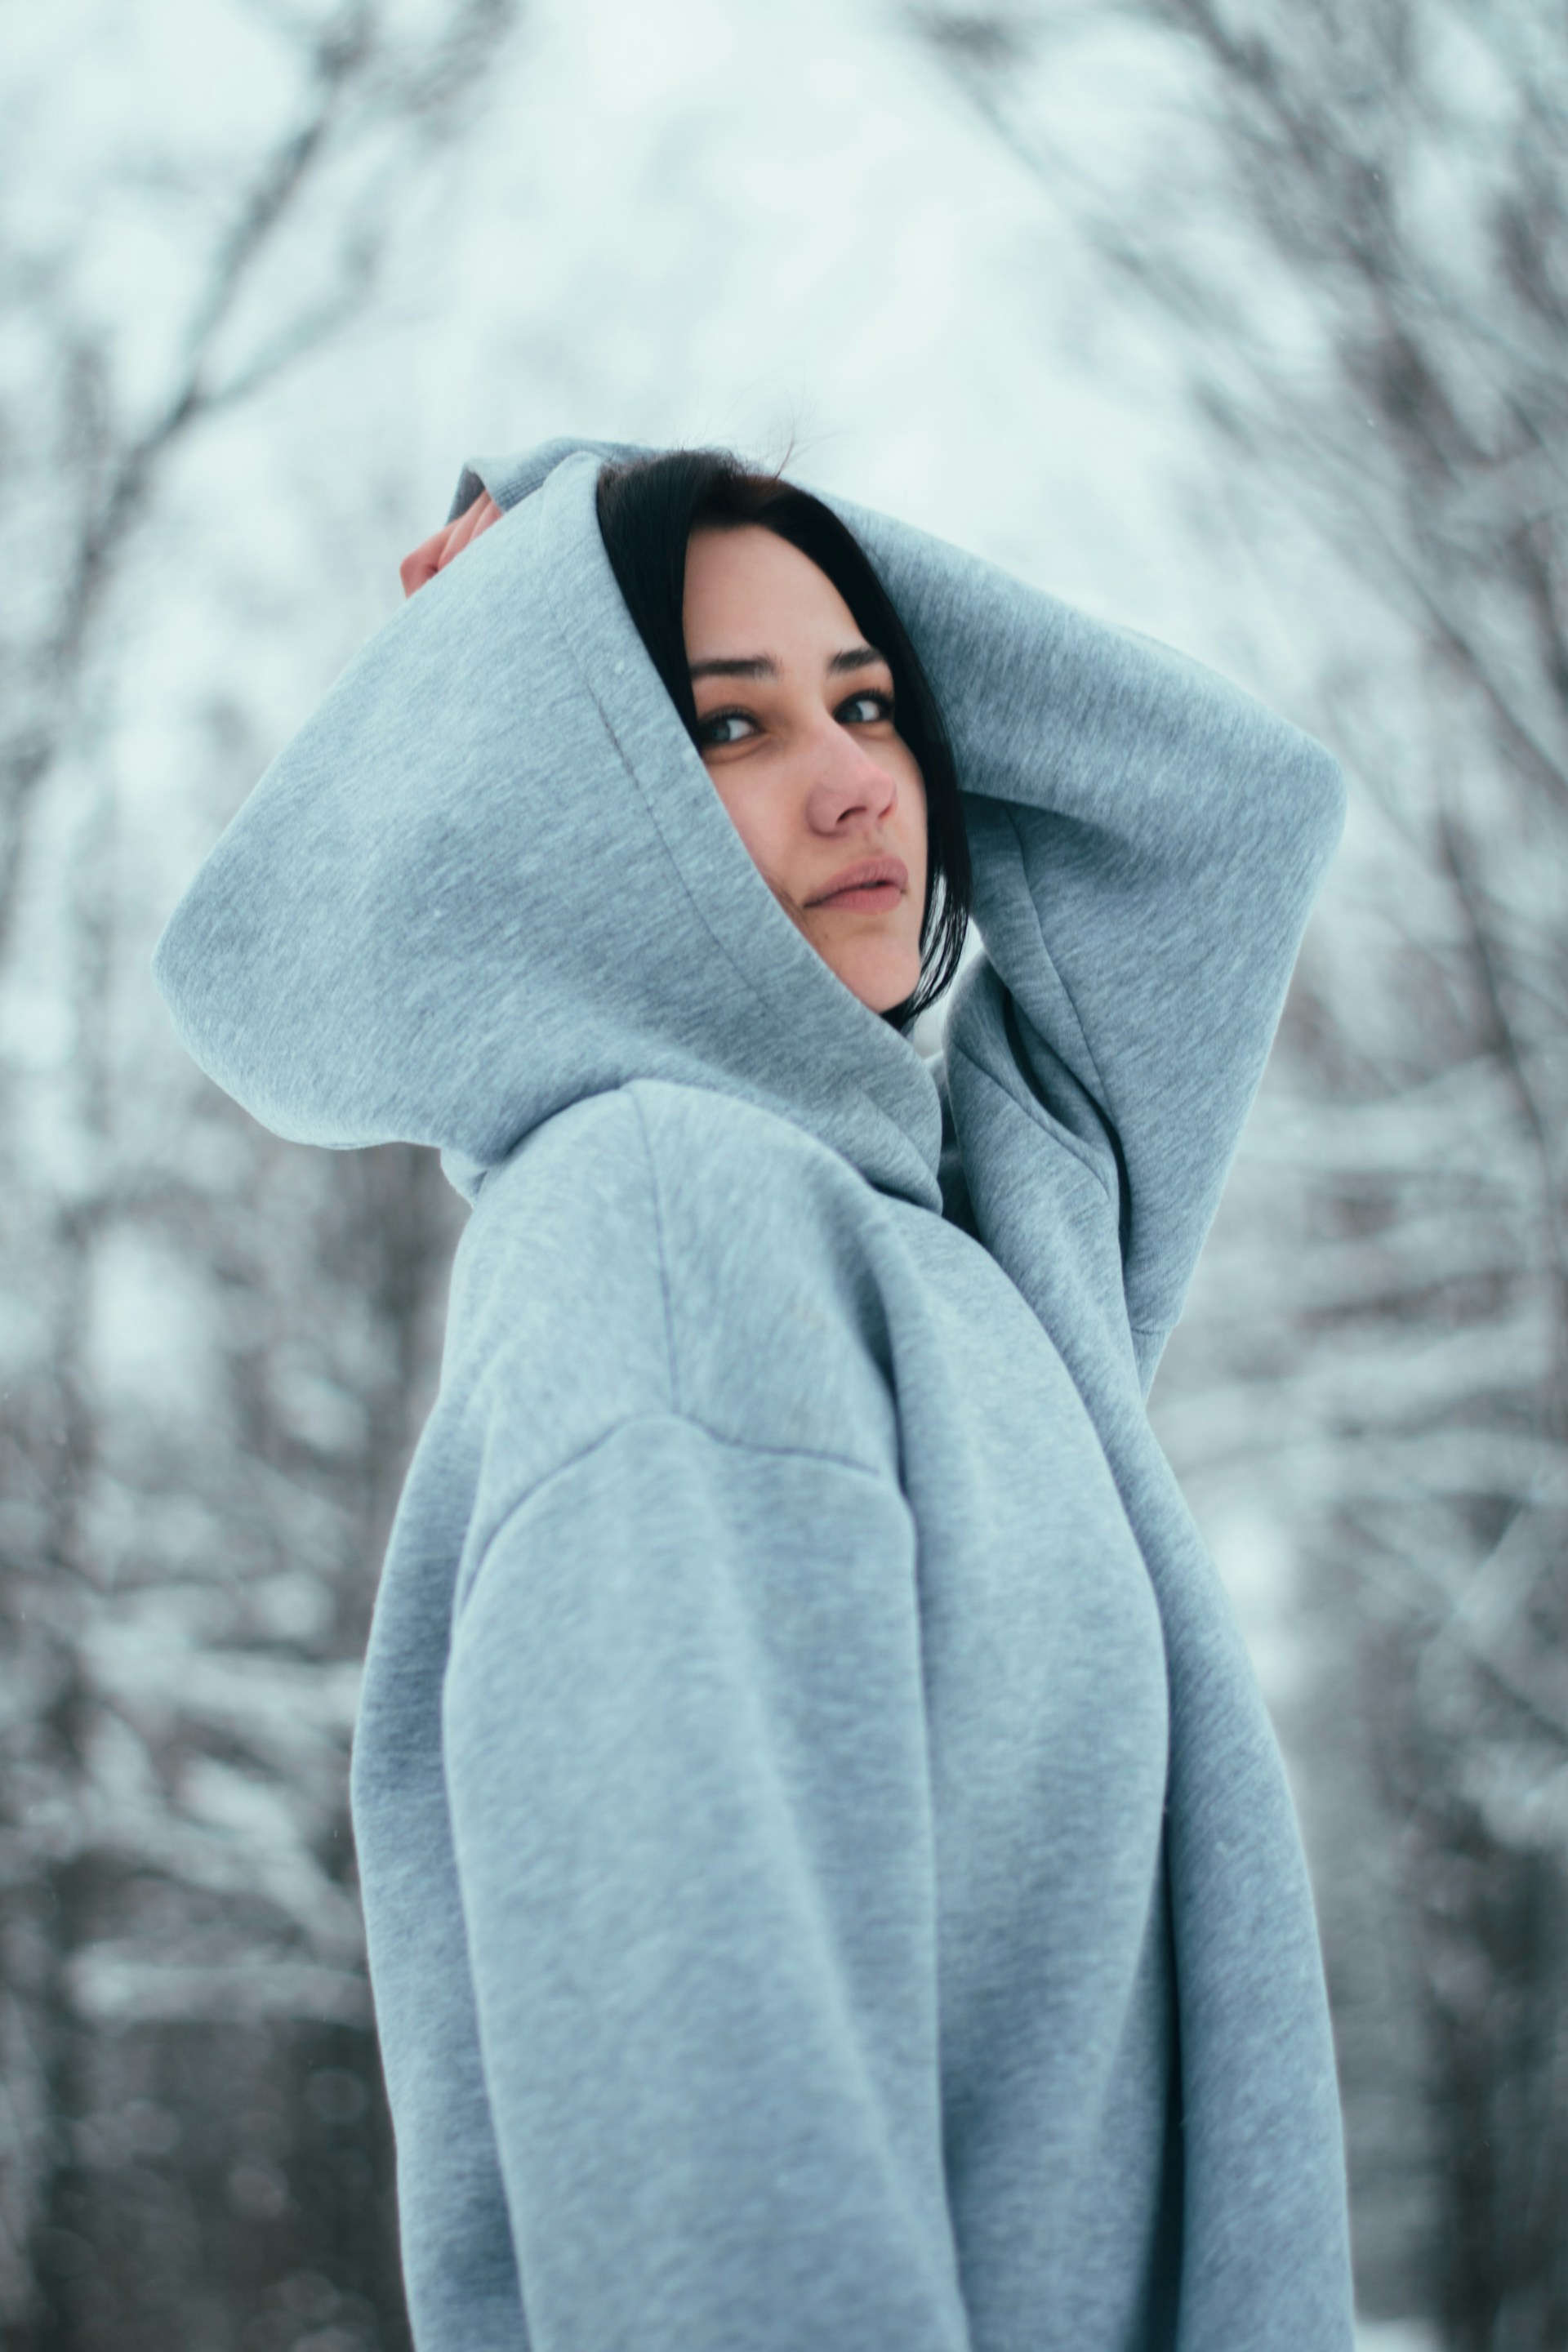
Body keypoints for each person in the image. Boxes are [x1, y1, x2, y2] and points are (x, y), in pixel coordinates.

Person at [153, 437, 1356, 2352]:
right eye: (729, 727)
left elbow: (1228, 811)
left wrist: (606, 487)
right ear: (582, 795)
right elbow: (714, 2155)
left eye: (873, 704)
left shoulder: (989, 1239)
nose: (861, 777)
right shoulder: (662, 1227)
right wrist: (562, 595)